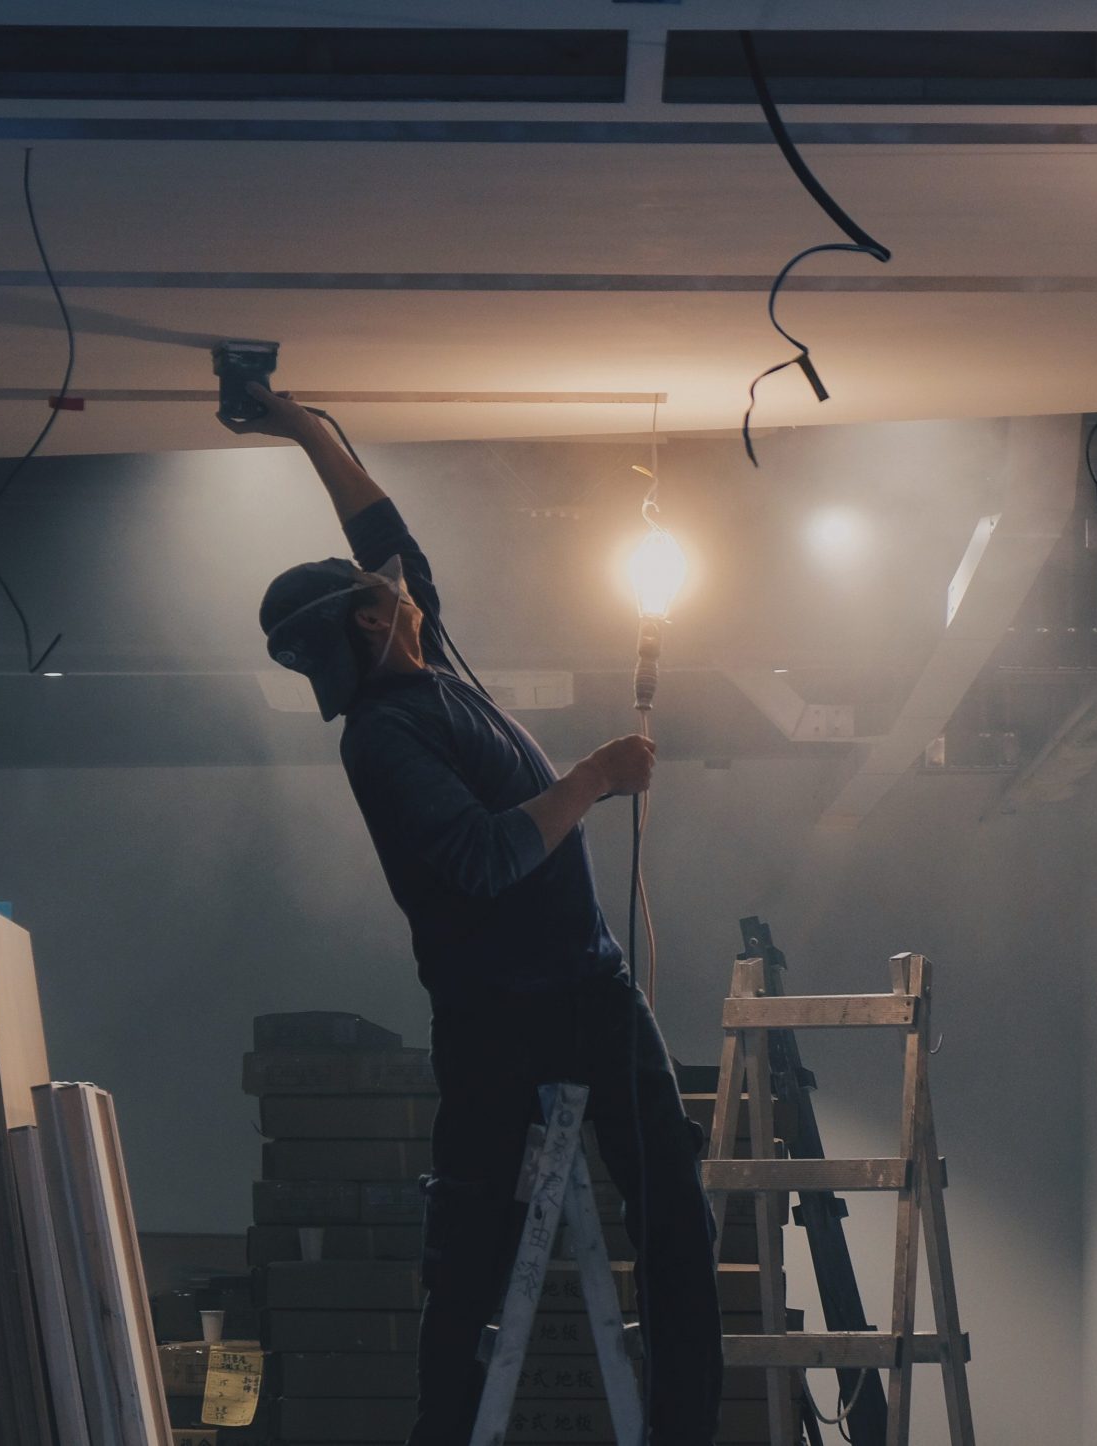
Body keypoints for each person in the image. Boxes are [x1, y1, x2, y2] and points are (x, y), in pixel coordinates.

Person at [235, 384, 722, 1445]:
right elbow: (486, 855)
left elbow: (381, 535)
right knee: (472, 1253)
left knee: (675, 1216)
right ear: (372, 621)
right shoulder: (383, 734)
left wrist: (309, 433)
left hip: (589, 986)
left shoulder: (426, 657)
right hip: (498, 1018)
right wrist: (592, 776)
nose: (404, 585)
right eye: (385, 591)